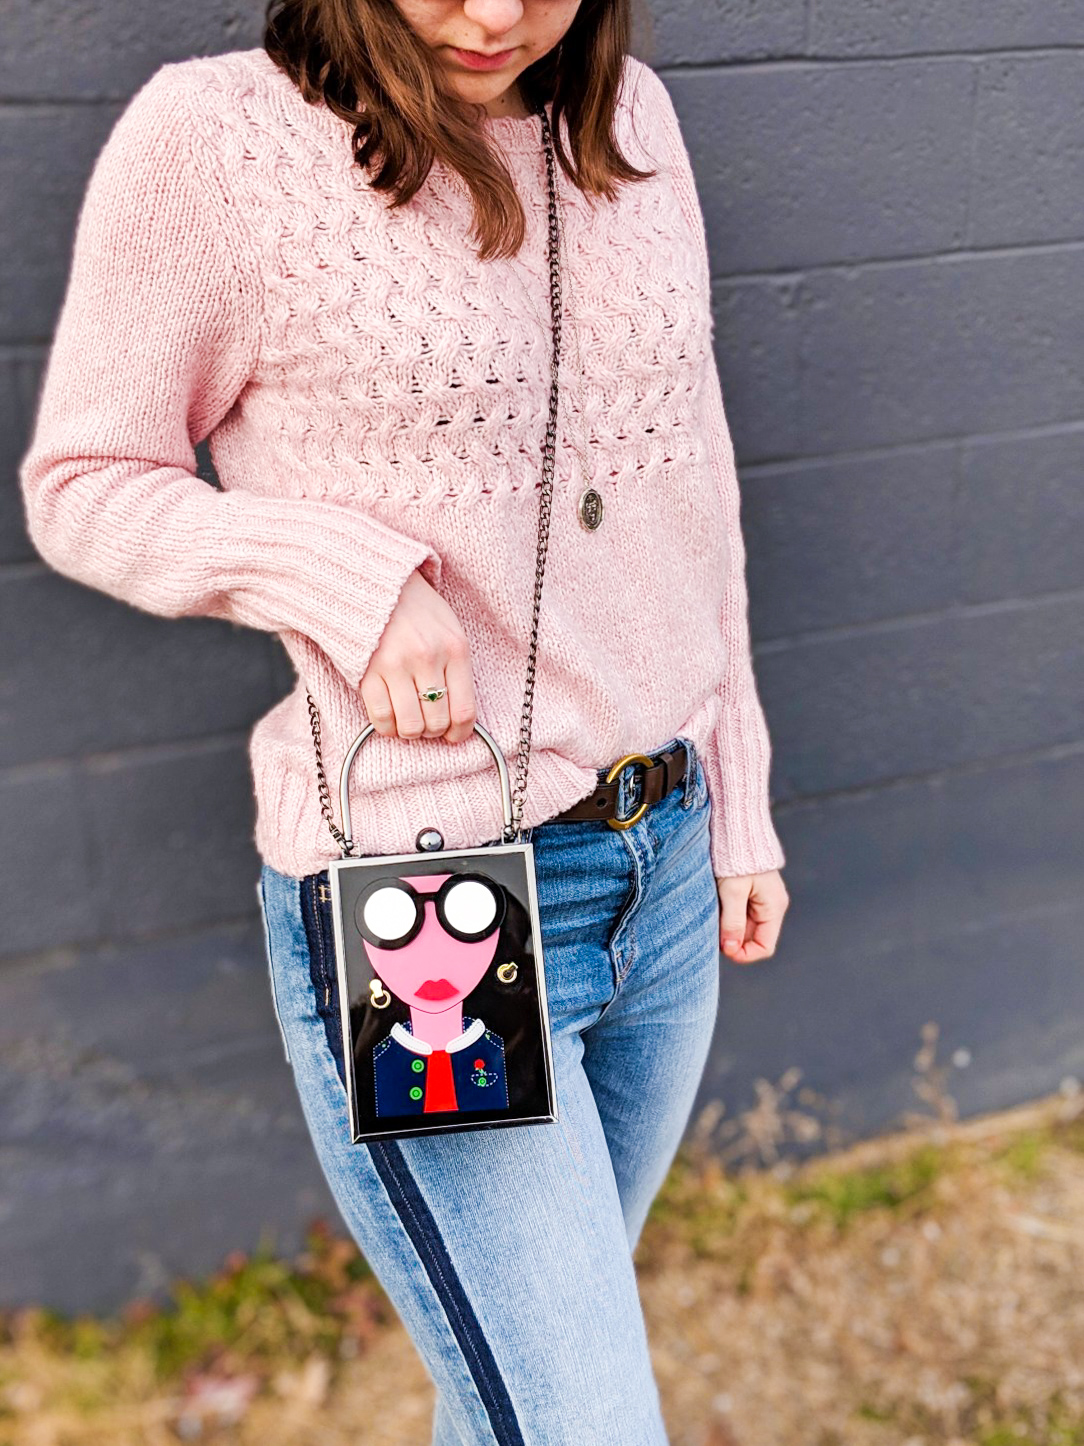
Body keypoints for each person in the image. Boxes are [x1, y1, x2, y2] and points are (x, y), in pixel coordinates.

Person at [17, 0, 791, 1437]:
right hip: (427, 905)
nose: (497, 13)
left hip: (663, 865)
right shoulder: (219, 140)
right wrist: (344, 581)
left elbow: (696, 476)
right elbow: (84, 477)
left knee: (510, 1389)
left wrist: (734, 786)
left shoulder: (627, 125)